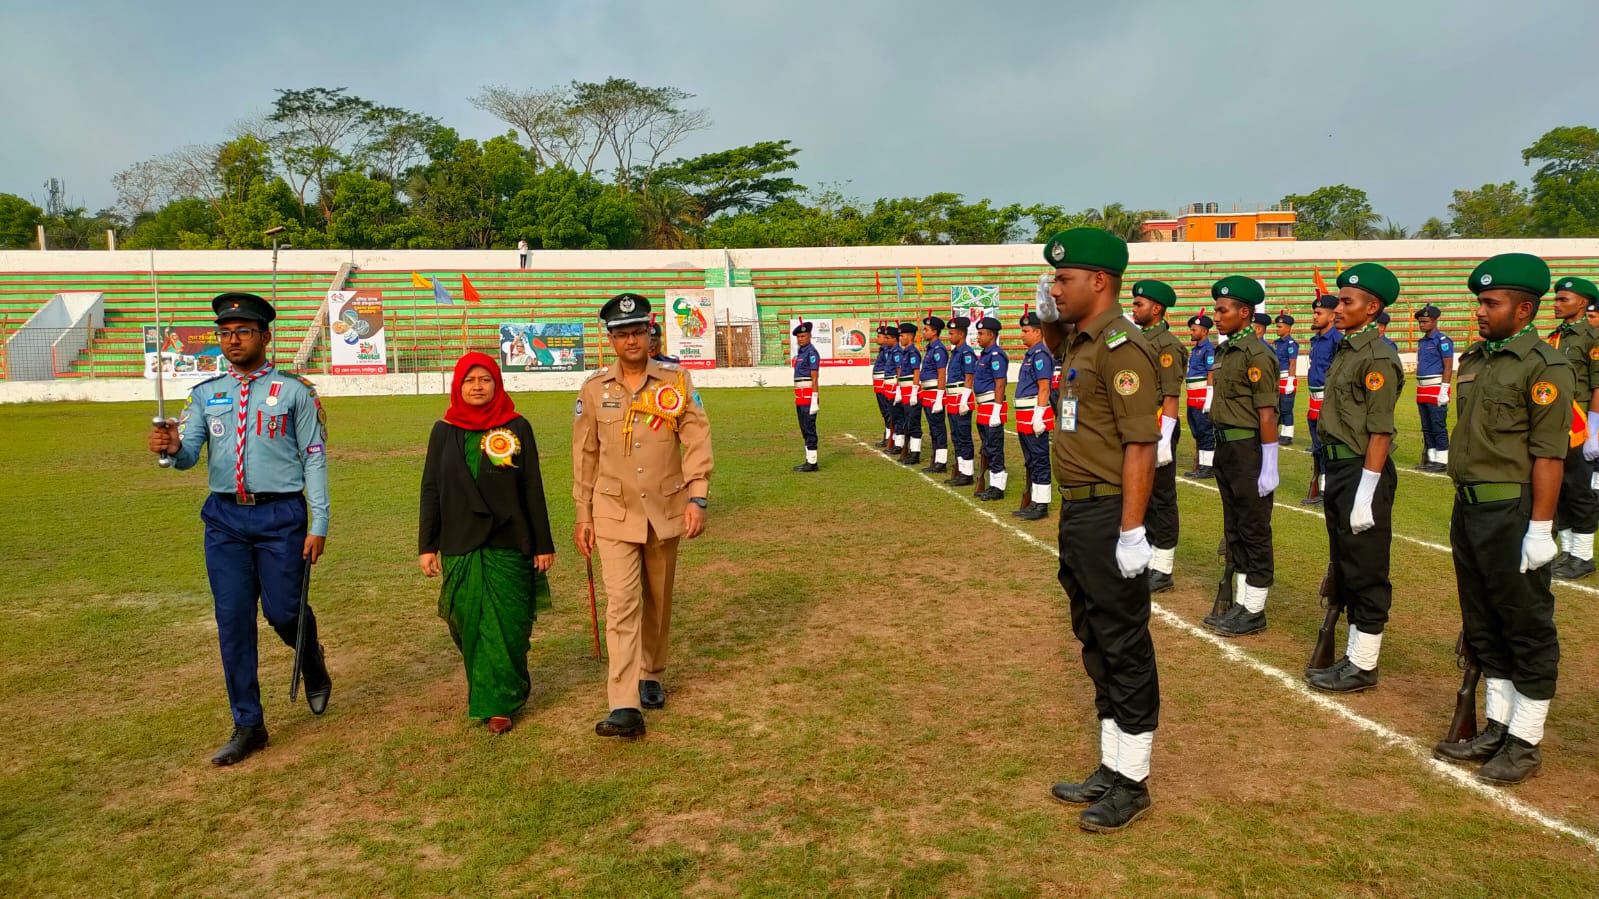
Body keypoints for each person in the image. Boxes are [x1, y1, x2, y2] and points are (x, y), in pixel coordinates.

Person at [146, 292, 332, 766]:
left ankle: (310, 656)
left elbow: (314, 457)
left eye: (243, 332)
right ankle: (249, 723)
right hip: (225, 520)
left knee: (284, 612)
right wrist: (171, 448)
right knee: (233, 620)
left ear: (265, 337)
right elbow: (189, 456)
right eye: (225, 333)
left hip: (281, 518)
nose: (233, 340)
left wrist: (320, 522)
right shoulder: (205, 395)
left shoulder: (295, 392)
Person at [1033, 228, 1161, 832]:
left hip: (1111, 511)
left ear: (1100, 281)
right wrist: (1048, 311)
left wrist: (1132, 531)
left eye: (1063, 279)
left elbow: (1141, 444)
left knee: (1123, 644)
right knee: (1094, 637)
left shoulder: (1120, 347)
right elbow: (1055, 337)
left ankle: (1132, 781)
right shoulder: (1083, 342)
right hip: (1081, 513)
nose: (1055, 288)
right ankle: (1111, 766)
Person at [1432, 253, 1570, 785]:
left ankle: (1526, 740)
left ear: (1525, 309)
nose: (1480, 311)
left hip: (1513, 510)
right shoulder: (1477, 358)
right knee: (1483, 622)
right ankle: (1499, 725)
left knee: (1525, 624)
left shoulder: (1543, 366)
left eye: (1491, 303)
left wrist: (1539, 528)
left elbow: (1550, 455)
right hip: (1469, 506)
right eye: (1480, 302)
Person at [573, 293, 714, 738]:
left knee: (658, 597)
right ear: (611, 340)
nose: (631, 341)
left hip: (665, 508)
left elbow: (696, 438)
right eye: (622, 334)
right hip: (613, 512)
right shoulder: (594, 390)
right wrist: (583, 514)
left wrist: (698, 496)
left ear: (650, 334)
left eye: (638, 332)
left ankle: (651, 671)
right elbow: (585, 455)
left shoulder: (675, 380)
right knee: (622, 603)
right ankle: (624, 702)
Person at [419, 353, 556, 733]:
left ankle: (500, 703)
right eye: (470, 380)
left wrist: (543, 543)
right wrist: (427, 545)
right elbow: (431, 488)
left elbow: (532, 486)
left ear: (497, 383)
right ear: (458, 385)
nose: (477, 387)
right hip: (459, 543)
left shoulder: (517, 426)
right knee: (467, 624)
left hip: (509, 542)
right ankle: (485, 689)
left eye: (485, 379)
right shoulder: (443, 430)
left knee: (506, 628)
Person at [1306, 264, 1403, 693]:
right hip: (1340, 469)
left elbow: (1380, 431)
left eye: (1347, 301)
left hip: (1364, 471)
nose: (1338, 307)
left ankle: (1364, 663)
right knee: (1345, 563)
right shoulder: (1348, 349)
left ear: (1372, 307)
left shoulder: (1377, 356)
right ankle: (1350, 654)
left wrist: (1366, 491)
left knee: (1365, 567)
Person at [1202, 276, 1281, 637]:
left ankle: (1255, 609)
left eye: (1223, 310)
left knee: (1253, 528)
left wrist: (1270, 464)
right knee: (1234, 527)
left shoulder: (1256, 354)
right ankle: (1242, 604)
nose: (1216, 316)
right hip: (1226, 449)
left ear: (1245, 312)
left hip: (1248, 450)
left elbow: (1267, 413)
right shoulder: (1226, 351)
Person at [1131, 280, 1187, 593]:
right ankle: (1147, 556)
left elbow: (1170, 395)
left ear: (1156, 309)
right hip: (1137, 426)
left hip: (1157, 426)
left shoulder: (1167, 345)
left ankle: (1163, 567)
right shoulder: (1138, 338)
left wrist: (1164, 438)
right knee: (1141, 495)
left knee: (1161, 498)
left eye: (1139, 304)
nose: (1133, 308)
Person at [1546, 276, 1599, 579]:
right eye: (1556, 299)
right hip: (1556, 422)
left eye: (1563, 299)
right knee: (1559, 488)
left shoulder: (1593, 336)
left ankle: (1583, 554)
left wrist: (1595, 429)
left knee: (1579, 490)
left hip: (1580, 425)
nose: (1556, 304)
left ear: (1583, 302)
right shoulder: (1556, 336)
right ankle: (1567, 551)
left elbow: (1598, 385)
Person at [1014, 312, 1057, 520]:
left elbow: (1044, 387)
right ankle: (1034, 501)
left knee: (1039, 459)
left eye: (1025, 331)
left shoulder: (1040, 355)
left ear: (1038, 332)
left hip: (1033, 415)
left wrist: (1039, 416)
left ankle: (1041, 504)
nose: (1021, 335)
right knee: (1031, 460)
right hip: (1025, 416)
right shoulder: (1031, 355)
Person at [1304, 295, 1344, 505]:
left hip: (1328, 400)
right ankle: (1320, 488)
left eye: (1319, 313)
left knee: (1329, 447)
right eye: (1314, 312)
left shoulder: (1337, 341)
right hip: (1314, 400)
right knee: (1318, 448)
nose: (1314, 316)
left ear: (1331, 316)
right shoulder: (1316, 340)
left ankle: (1329, 491)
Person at [1413, 305, 1454, 473]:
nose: (1421, 324)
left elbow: (1448, 367)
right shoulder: (1422, 342)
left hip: (1436, 388)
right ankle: (1431, 459)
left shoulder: (1443, 341)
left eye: (1425, 321)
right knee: (1426, 426)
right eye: (1420, 322)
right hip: (1422, 389)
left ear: (1435, 321)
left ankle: (1442, 460)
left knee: (1438, 425)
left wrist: (1444, 390)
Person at [975, 317, 1010, 500]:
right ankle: (992, 483)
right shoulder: (985, 355)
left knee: (994, 447)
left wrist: (997, 409)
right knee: (987, 447)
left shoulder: (996, 355)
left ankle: (997, 487)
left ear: (991, 335)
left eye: (981, 334)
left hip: (992, 406)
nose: (978, 337)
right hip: (984, 406)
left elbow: (1000, 383)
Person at [944, 317, 980, 487]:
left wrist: (964, 399)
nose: (949, 336)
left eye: (952, 333)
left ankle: (967, 473)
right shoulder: (956, 352)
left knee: (964, 436)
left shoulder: (966, 353)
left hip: (960, 398)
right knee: (956, 436)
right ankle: (961, 469)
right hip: (952, 398)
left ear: (961, 334)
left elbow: (969, 377)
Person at [1182, 315, 1217, 479]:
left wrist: (1209, 396)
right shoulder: (1196, 349)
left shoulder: (1208, 350)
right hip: (1193, 398)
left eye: (1194, 330)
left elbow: (1211, 373)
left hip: (1202, 398)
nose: (1191, 332)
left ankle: (1207, 467)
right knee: (1197, 432)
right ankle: (1201, 465)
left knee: (1205, 432)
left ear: (1204, 331)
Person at [918, 316, 951, 474]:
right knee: (933, 428)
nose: (923, 332)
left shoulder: (938, 350)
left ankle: (941, 461)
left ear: (935, 332)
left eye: (926, 329)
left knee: (938, 428)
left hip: (934, 393)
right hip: (928, 393)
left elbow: (941, 374)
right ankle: (936, 458)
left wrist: (939, 398)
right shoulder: (931, 348)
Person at [791, 321, 822, 472]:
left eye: (803, 336)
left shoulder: (811, 353)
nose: (800, 339)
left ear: (810, 336)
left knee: (809, 427)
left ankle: (812, 461)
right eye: (798, 337)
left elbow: (814, 377)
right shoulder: (801, 352)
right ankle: (808, 459)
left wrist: (815, 398)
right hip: (800, 397)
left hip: (808, 396)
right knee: (804, 428)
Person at [892, 323, 923, 463]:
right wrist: (899, 389)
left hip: (911, 392)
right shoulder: (905, 352)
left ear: (910, 337)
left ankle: (915, 454)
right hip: (905, 392)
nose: (900, 338)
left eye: (902, 335)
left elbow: (916, 371)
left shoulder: (912, 352)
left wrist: (914, 391)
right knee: (908, 422)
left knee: (913, 423)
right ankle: (910, 451)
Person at [1273, 314, 1300, 445]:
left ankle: (1287, 434)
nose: (1277, 329)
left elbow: (1292, 363)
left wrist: (1290, 381)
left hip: (1286, 378)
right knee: (1277, 407)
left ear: (1288, 328)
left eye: (1280, 326)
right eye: (1277, 326)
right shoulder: (1277, 343)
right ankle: (1278, 431)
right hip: (1277, 378)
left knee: (1286, 408)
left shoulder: (1291, 344)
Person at [872, 326, 896, 448]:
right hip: (879, 384)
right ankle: (888, 436)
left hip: (883, 384)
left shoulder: (887, 351)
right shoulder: (883, 350)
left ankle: (889, 437)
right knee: (885, 412)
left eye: (879, 336)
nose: (877, 339)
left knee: (887, 412)